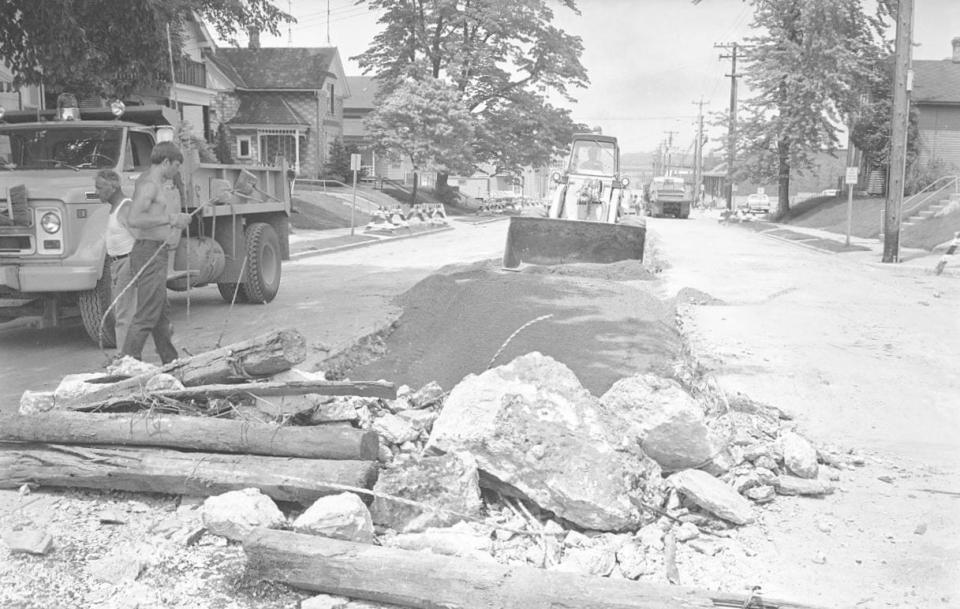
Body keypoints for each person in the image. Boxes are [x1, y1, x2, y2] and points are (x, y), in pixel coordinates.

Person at [120, 142, 191, 364]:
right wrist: (170, 219)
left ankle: (171, 361)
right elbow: (133, 219)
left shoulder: (150, 182)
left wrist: (176, 221)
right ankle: (127, 363)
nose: (177, 171)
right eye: (176, 165)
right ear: (166, 162)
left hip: (154, 251)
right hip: (149, 252)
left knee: (160, 312)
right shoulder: (149, 185)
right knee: (147, 314)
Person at [95, 169, 136, 350]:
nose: (96, 192)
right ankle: (128, 354)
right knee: (124, 312)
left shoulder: (125, 207)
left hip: (127, 262)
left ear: (114, 187)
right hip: (118, 264)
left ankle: (125, 357)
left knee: (124, 314)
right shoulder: (115, 208)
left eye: (99, 187)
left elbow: (142, 237)